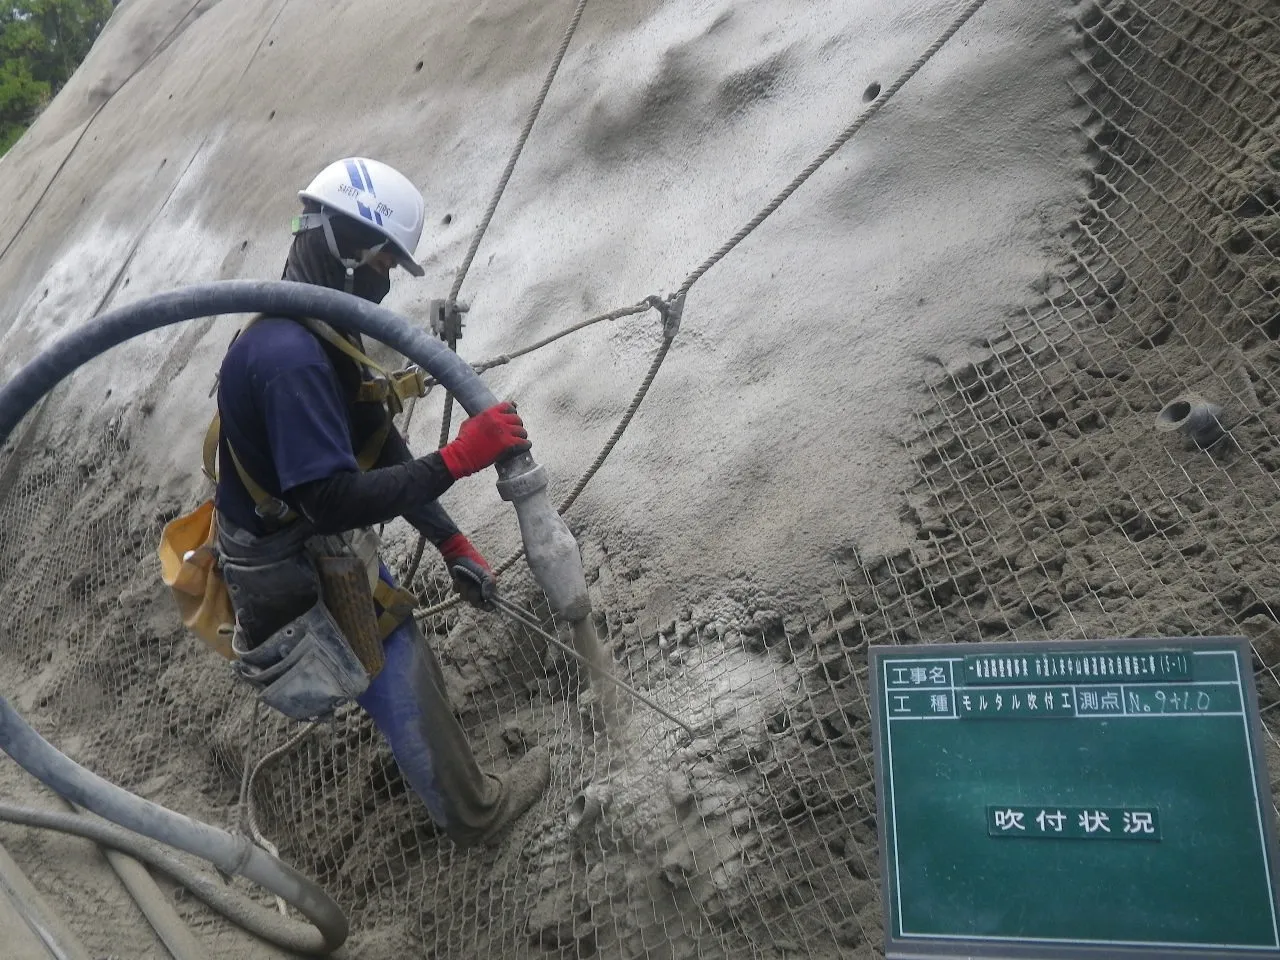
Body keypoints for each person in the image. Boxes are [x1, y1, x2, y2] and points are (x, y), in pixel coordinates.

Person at [212, 156, 549, 847]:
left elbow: (375, 441)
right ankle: (476, 818)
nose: (387, 279)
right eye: (386, 262)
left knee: (392, 648)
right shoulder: (290, 357)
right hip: (296, 564)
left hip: (307, 538)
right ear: (347, 250)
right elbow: (334, 500)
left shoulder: (320, 331)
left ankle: (444, 784)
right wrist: (457, 459)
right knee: (393, 661)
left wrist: (452, 540)